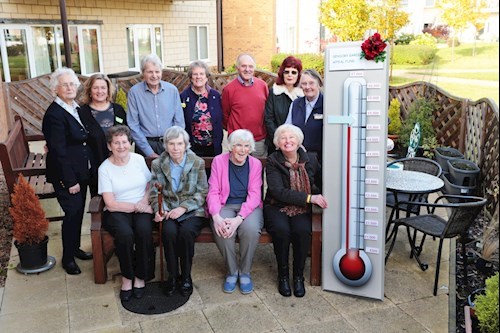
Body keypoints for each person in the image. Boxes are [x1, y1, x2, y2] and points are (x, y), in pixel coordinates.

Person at [264, 124, 328, 297]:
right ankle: (283, 276)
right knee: (282, 231)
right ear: (277, 143)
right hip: (276, 205)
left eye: (291, 137)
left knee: (302, 230)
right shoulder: (273, 160)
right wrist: (309, 198)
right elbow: (278, 191)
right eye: (283, 138)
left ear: (299, 141)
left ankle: (298, 276)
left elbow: (323, 182)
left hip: (302, 208)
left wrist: (321, 196)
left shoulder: (311, 159)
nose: (288, 141)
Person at [42, 67, 94, 275]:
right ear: (56, 89)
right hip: (67, 175)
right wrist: (70, 181)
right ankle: (68, 259)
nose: (70, 87)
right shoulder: (54, 115)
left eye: (73, 84)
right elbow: (58, 152)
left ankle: (75, 248)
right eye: (65, 84)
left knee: (79, 212)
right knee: (72, 213)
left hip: (81, 172)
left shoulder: (76, 108)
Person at [150, 126, 208, 297]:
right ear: (166, 145)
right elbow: (154, 192)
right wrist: (159, 210)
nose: (176, 148)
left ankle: (186, 276)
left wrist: (182, 208)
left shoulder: (197, 162)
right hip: (168, 210)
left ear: (186, 145)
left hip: (192, 210)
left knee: (186, 233)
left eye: (179, 144)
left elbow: (202, 192)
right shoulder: (158, 164)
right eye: (172, 144)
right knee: (168, 233)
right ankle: (172, 275)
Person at [98, 125, 153, 302]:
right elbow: (110, 203)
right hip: (117, 210)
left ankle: (141, 276)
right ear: (109, 146)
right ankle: (127, 277)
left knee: (144, 231)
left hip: (141, 204)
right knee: (125, 234)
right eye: (116, 143)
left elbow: (149, 185)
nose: (121, 146)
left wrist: (144, 201)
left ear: (130, 143)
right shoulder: (104, 168)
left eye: (124, 142)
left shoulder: (138, 159)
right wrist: (137, 207)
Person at [206, 129, 264, 294]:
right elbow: (213, 191)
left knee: (250, 229)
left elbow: (254, 195)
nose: (242, 149)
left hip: (248, 207)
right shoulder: (219, 161)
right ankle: (232, 271)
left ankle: (245, 271)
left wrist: (239, 219)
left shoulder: (255, 164)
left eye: (246, 146)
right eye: (238, 145)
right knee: (223, 229)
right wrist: (216, 216)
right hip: (224, 205)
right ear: (231, 147)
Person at [79, 73, 128, 197]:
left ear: (108, 90)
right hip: (96, 168)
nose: (99, 91)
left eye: (103, 87)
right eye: (95, 88)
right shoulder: (82, 113)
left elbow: (127, 135)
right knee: (100, 201)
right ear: (89, 90)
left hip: (120, 165)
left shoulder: (118, 110)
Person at [127, 54, 185, 158]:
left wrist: (174, 146)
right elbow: (133, 124)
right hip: (145, 145)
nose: (154, 75)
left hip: (169, 144)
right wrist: (149, 152)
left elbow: (179, 122)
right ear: (143, 73)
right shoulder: (134, 93)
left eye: (157, 71)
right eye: (150, 72)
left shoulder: (172, 90)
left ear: (161, 72)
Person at [222, 54, 269, 158]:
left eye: (250, 66)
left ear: (254, 68)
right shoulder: (229, 89)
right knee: (237, 171)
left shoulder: (263, 86)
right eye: (243, 66)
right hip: (237, 141)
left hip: (259, 140)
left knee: (257, 171)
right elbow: (225, 115)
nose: (247, 69)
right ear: (237, 68)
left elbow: (267, 111)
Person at [180, 61, 223, 157]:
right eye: (195, 74)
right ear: (191, 77)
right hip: (193, 148)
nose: (198, 77)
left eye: (201, 74)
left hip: (213, 147)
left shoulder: (215, 95)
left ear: (206, 77)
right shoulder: (184, 96)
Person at [264, 56, 303, 154]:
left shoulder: (302, 95)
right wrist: (279, 141)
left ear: (298, 75)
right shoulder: (274, 92)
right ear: (282, 74)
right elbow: (268, 119)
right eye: (287, 72)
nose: (290, 75)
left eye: (293, 72)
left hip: (297, 145)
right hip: (276, 145)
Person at [285, 69, 324, 161]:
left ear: (318, 84)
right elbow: (288, 128)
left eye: (311, 83)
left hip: (320, 158)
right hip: (298, 157)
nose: (307, 87)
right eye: (304, 83)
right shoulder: (295, 104)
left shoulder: (326, 104)